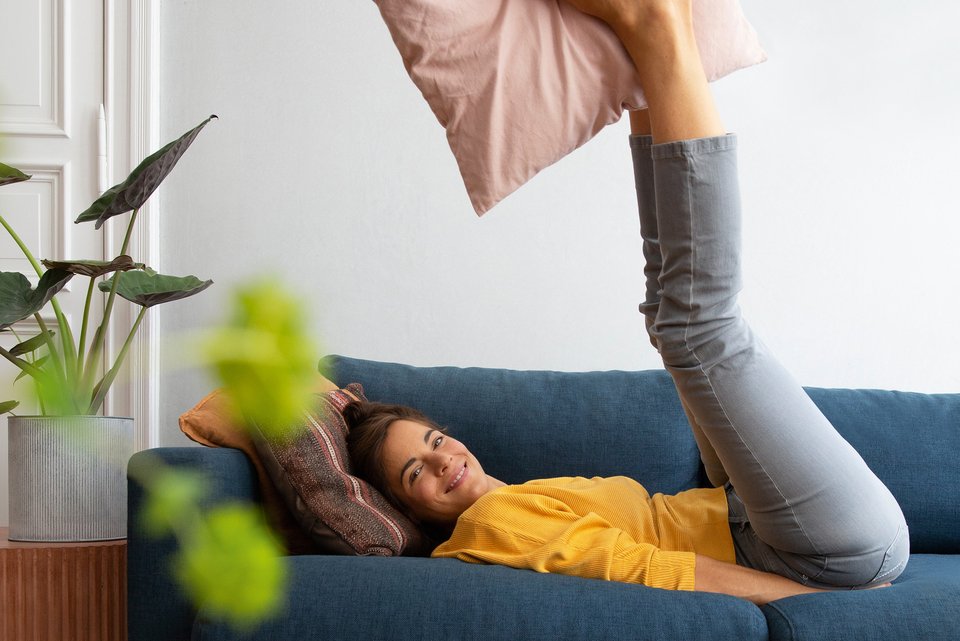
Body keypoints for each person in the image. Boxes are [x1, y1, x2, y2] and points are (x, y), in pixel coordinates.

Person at [345, 0, 909, 605]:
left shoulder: (511, 500)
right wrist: (817, 611)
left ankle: (647, 64)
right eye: (415, 476)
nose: (442, 464)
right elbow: (641, 568)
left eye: (432, 443)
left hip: (756, 519)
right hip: (817, 555)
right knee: (698, 329)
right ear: (405, 508)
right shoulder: (489, 524)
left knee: (669, 319)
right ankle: (659, 25)